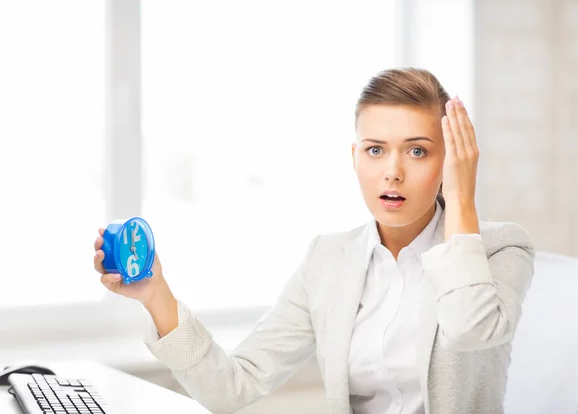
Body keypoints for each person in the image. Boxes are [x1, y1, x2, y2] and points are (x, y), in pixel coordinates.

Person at [93, 67, 535, 414]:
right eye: (375, 149)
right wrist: (156, 295)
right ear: (355, 157)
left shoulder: (500, 249)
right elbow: (231, 387)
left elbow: (470, 330)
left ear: (451, 160)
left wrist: (460, 199)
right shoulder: (328, 260)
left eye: (418, 150)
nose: (393, 171)